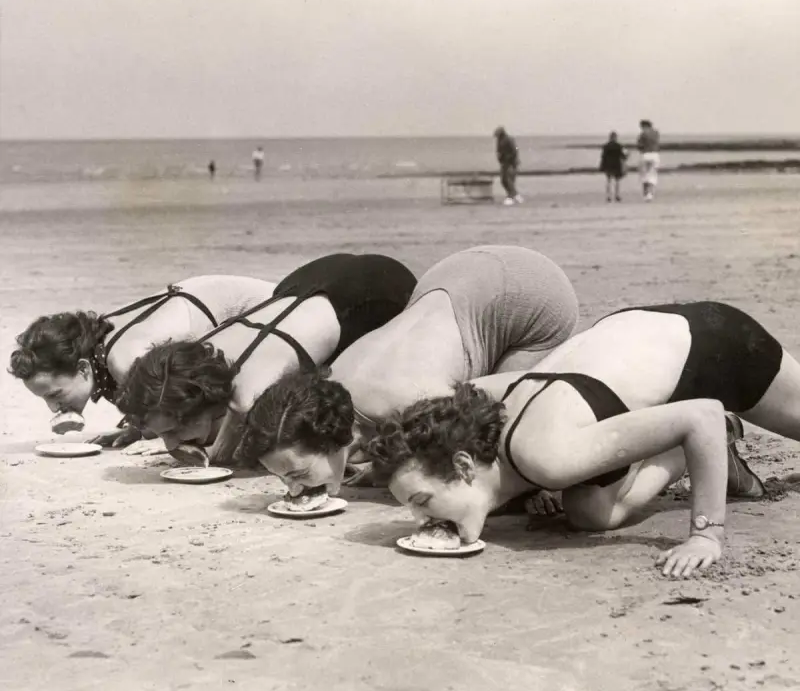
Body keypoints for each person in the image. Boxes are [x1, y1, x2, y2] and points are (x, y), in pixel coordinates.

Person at [364, 301, 800, 579]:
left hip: (714, 345)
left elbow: (699, 412)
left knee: (589, 496)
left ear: (463, 467)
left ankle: (719, 434)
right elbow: (458, 395)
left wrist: (707, 535)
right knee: (587, 509)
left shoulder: (548, 457)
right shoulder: (483, 418)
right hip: (635, 327)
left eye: (421, 501)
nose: (420, 521)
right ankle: (699, 447)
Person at [238, 245, 579, 495]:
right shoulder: (333, 389)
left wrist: (535, 486)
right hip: (457, 269)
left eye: (298, 474)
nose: (292, 490)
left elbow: (526, 387)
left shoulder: (409, 399)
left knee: (505, 435)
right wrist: (377, 466)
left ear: (331, 442)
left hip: (533, 292)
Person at [115, 253, 417, 467]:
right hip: (310, 277)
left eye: (171, 432)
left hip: (375, 292)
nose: (168, 444)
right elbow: (166, 397)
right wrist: (147, 426)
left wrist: (193, 455)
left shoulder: (246, 396)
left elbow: (223, 459)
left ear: (195, 409)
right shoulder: (195, 358)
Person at [8, 275, 279, 448]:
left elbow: (200, 410)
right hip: (259, 305)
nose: (53, 407)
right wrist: (139, 428)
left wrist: (150, 428)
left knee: (205, 426)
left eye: (56, 394)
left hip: (276, 310)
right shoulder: (104, 339)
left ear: (83, 368)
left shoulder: (124, 361)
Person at [493, 127, 523, 206]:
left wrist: (512, 160)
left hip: (510, 163)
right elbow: (499, 151)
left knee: (509, 179)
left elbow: (515, 150)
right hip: (504, 163)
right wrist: (500, 158)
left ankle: (511, 196)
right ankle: (515, 195)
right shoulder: (499, 141)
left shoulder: (509, 140)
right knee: (503, 180)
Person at [599, 132, 627, 202]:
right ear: (616, 138)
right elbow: (623, 156)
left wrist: (602, 166)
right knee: (617, 181)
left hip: (608, 164)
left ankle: (608, 196)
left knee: (609, 181)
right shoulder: (619, 146)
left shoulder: (606, 146)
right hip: (617, 164)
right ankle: (617, 195)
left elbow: (603, 157)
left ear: (609, 137)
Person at [637, 120, 661, 201]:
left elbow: (639, 145)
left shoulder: (642, 134)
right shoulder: (656, 133)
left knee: (644, 175)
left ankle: (645, 193)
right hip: (655, 154)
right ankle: (650, 193)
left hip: (645, 154)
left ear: (644, 126)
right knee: (653, 174)